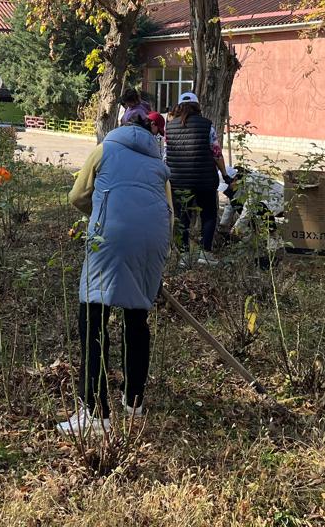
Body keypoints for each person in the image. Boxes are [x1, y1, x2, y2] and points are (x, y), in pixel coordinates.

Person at [58, 111, 172, 436]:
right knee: (136, 320)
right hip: (152, 241)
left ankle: (95, 414)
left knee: (94, 319)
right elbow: (169, 212)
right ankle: (133, 402)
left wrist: (101, 212)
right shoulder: (158, 163)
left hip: (110, 238)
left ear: (122, 126)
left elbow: (77, 195)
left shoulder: (104, 149)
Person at [165, 92, 228, 266]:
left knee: (181, 216)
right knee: (208, 215)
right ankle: (205, 254)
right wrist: (224, 173)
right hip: (204, 181)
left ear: (179, 107)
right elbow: (216, 153)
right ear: (197, 107)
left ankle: (184, 256)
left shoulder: (169, 128)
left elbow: (165, 155)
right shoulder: (207, 125)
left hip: (178, 181)